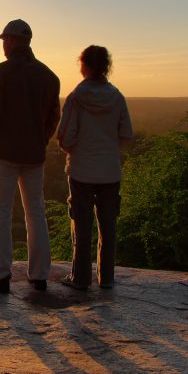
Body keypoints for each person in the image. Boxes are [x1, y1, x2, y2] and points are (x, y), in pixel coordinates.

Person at [0, 19, 60, 294]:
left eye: (4, 40)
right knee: (35, 211)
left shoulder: (0, 73)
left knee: (1, 212)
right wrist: (40, 139)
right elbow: (53, 117)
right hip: (34, 155)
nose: (3, 46)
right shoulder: (49, 76)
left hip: (4, 152)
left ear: (11, 41)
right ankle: (39, 276)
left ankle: (0, 275)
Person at [57, 45, 133, 290]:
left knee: (82, 225)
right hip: (110, 170)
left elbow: (65, 136)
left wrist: (76, 151)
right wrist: (108, 149)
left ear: (85, 65)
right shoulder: (117, 96)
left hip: (81, 170)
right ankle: (107, 278)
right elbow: (126, 133)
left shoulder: (77, 98)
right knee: (108, 225)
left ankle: (80, 278)